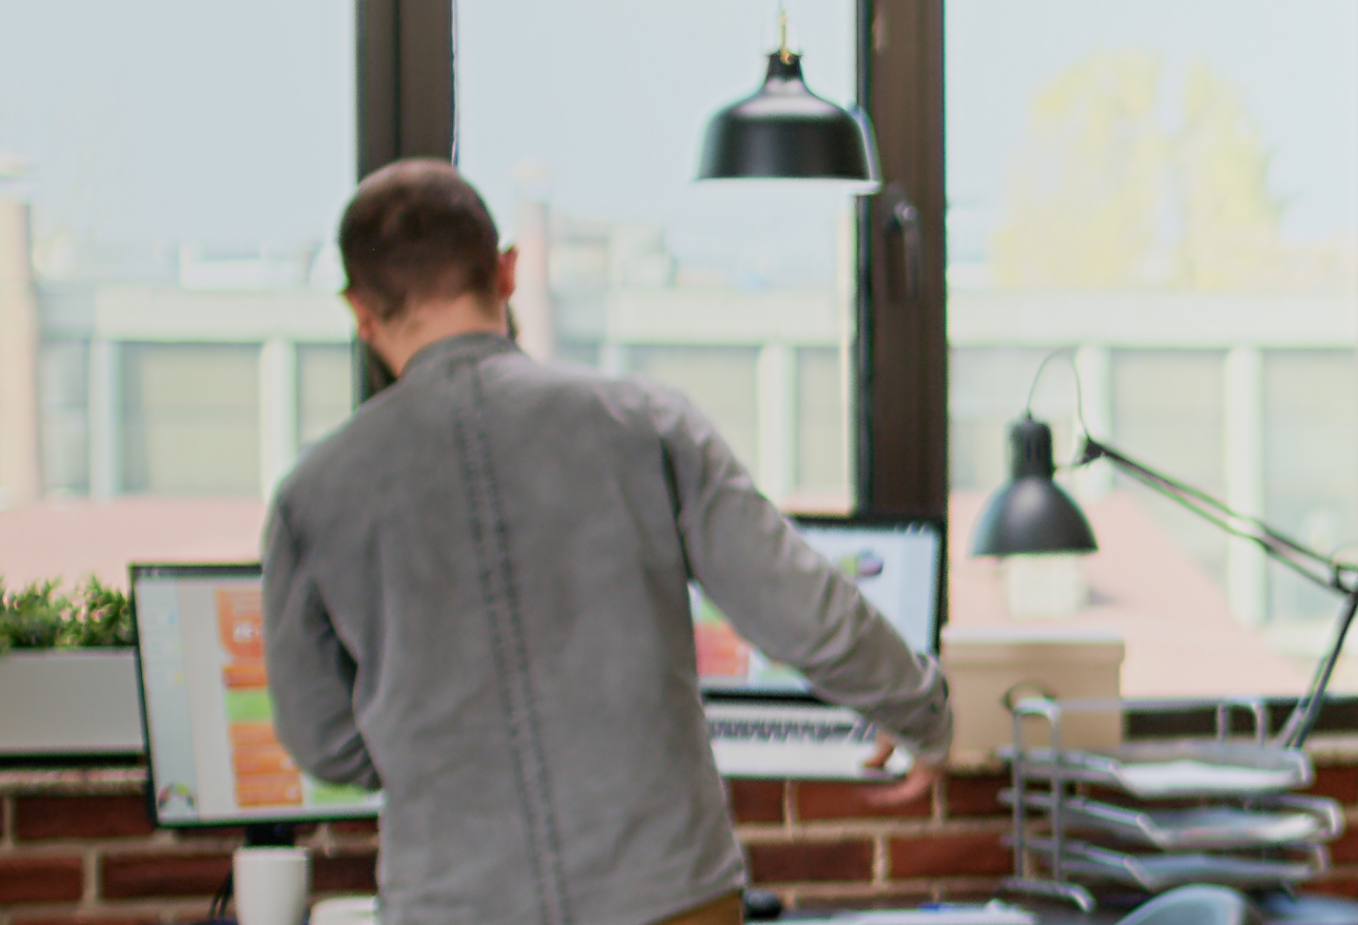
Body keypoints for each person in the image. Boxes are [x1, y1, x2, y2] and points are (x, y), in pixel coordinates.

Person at [261, 160, 952, 925]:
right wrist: (923, 711)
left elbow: (323, 741)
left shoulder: (311, 496)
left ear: (360, 310)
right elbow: (799, 606)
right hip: (665, 892)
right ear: (508, 269)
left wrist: (438, 754)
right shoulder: (644, 421)